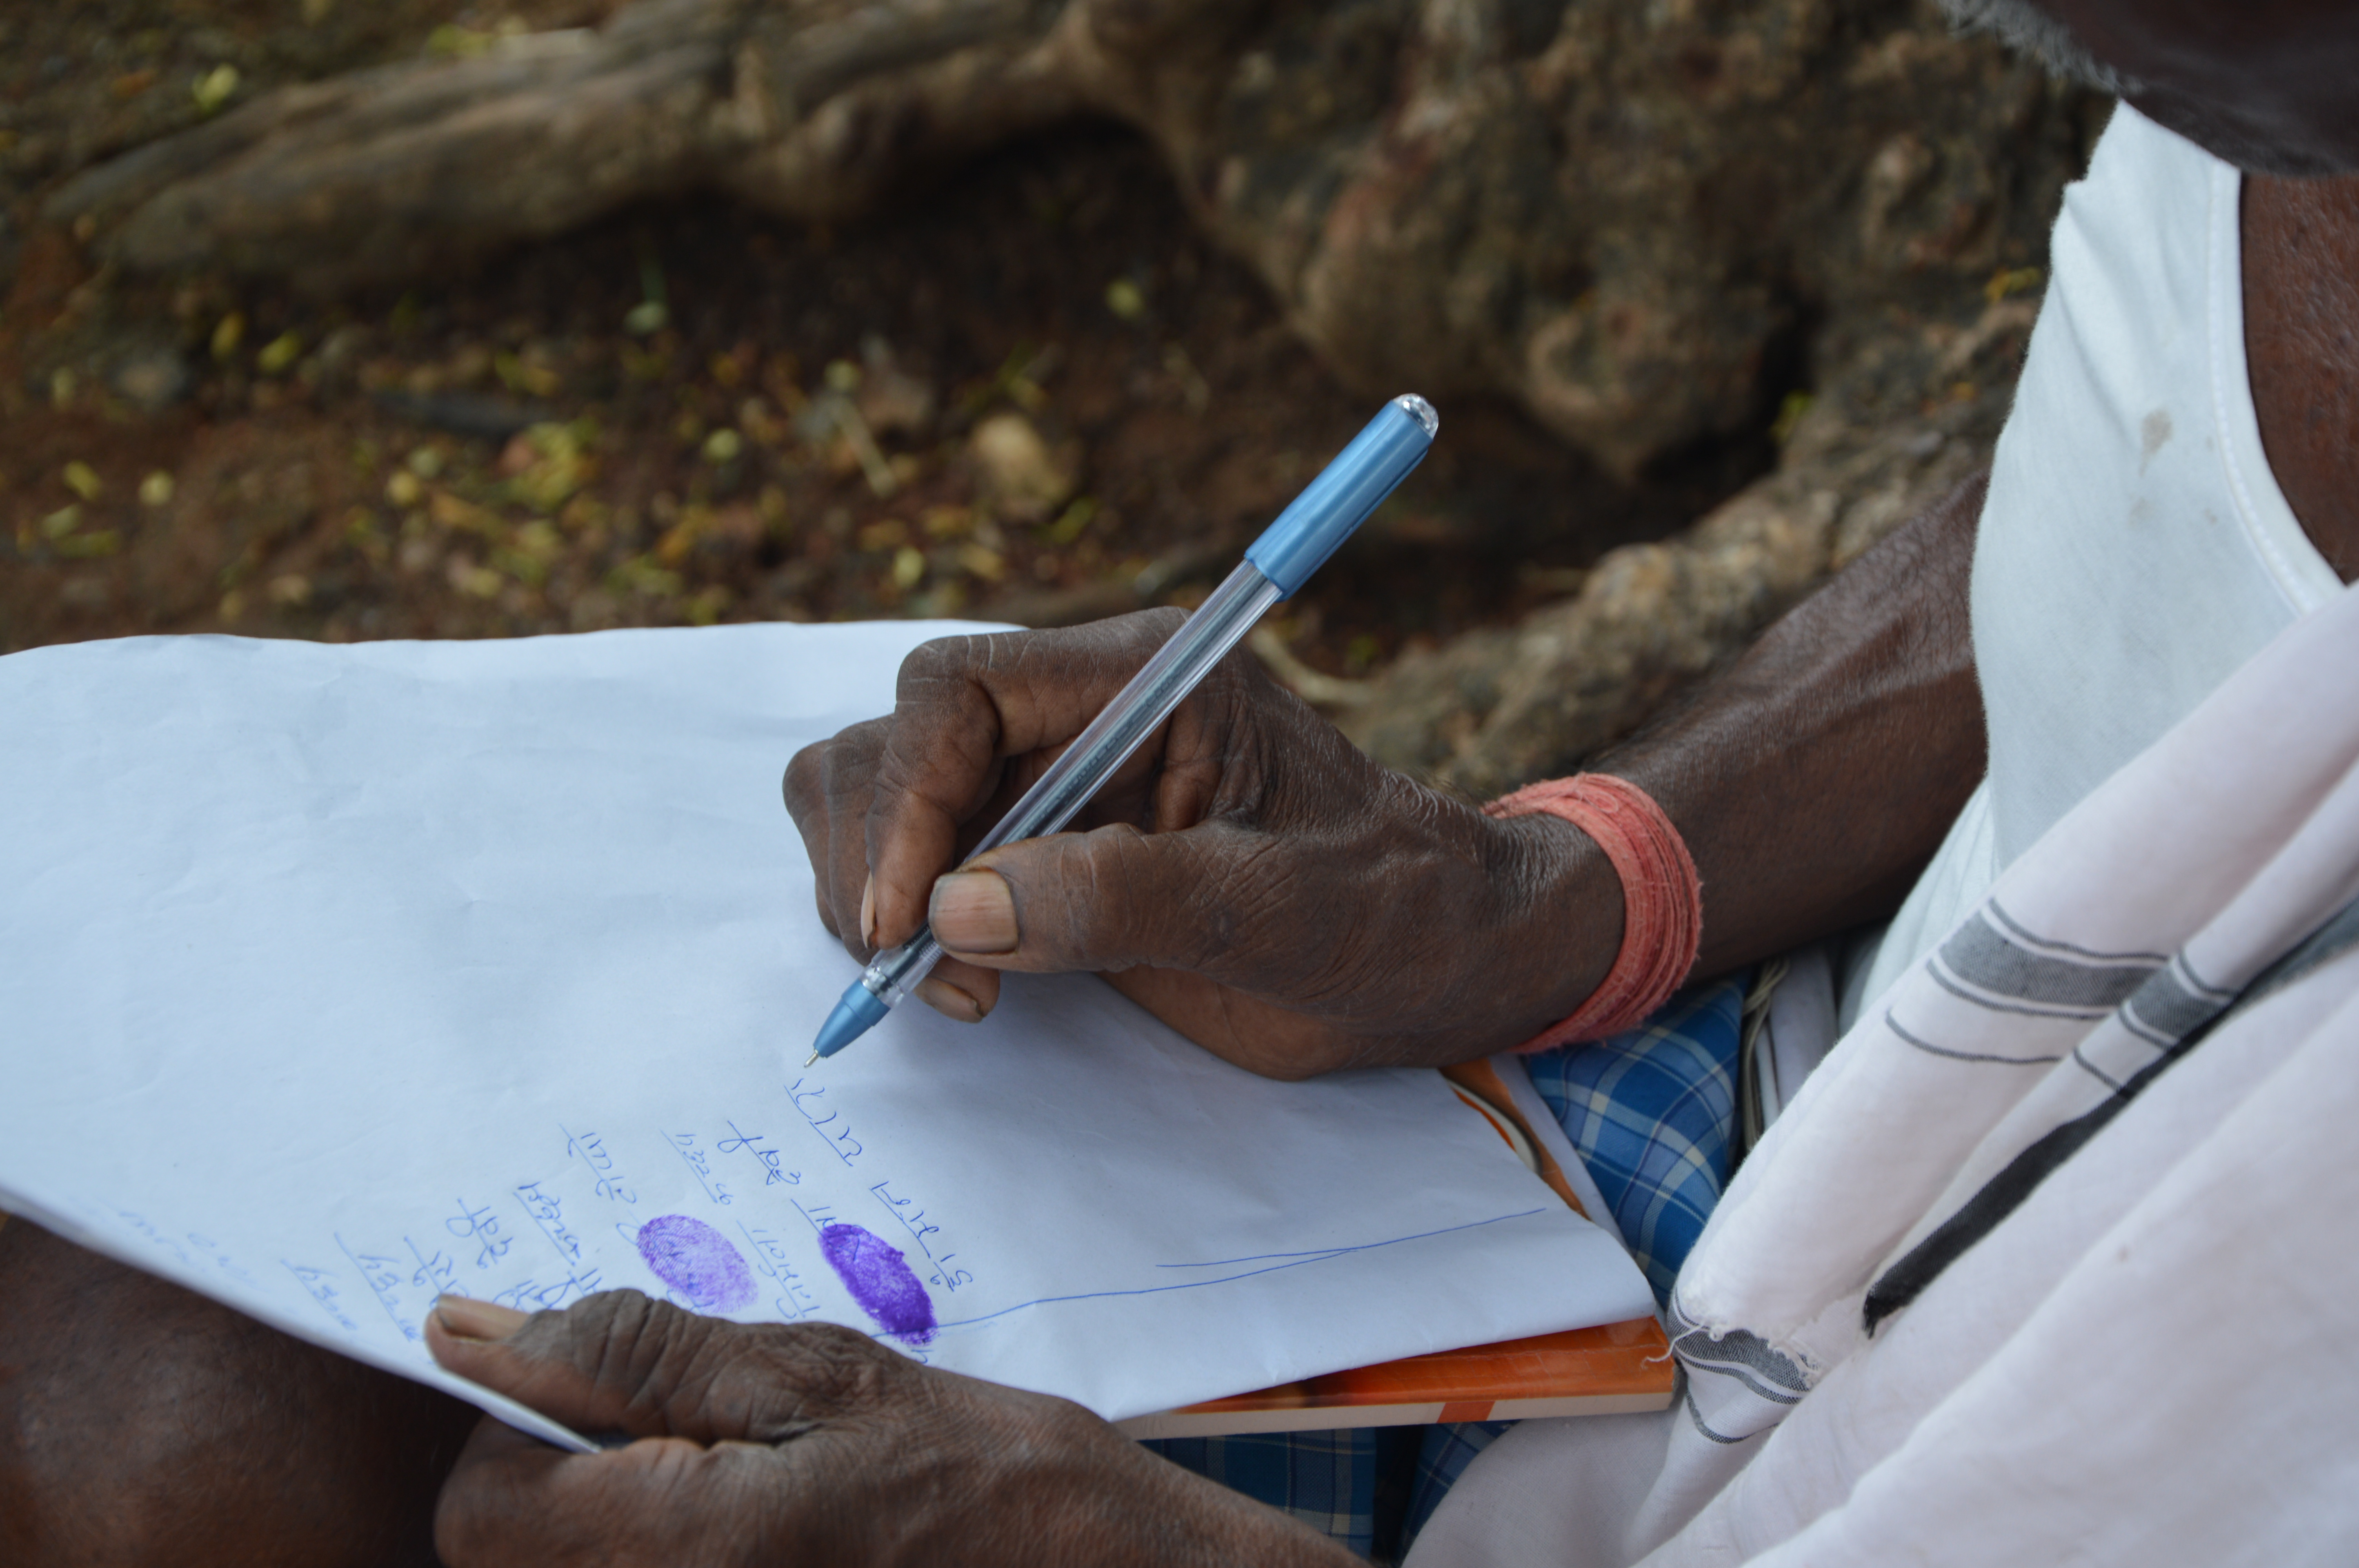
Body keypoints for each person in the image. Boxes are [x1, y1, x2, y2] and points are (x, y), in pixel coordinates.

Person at [3, 0, 2352, 1563]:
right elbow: (2144, 485)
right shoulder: (2269, 88)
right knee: (145, 1337)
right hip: (1727, 1153)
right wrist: (1553, 887)